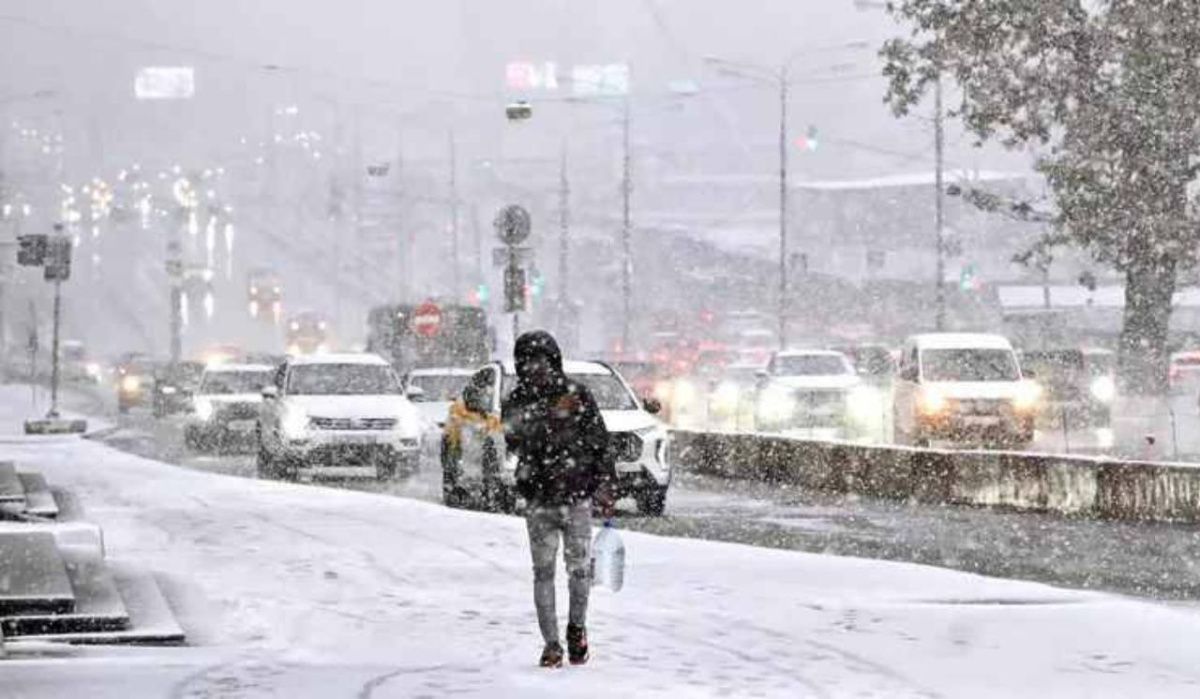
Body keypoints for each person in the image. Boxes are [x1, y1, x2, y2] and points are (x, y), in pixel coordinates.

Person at [502, 330, 615, 668]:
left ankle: (576, 630)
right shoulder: (519, 400)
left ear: (553, 362)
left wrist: (605, 483)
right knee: (544, 571)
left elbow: (599, 441)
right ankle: (551, 644)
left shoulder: (577, 395)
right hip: (540, 499)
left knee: (579, 570)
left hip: (574, 496)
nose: (536, 369)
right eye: (529, 362)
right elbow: (514, 441)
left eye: (542, 361)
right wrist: (545, 421)